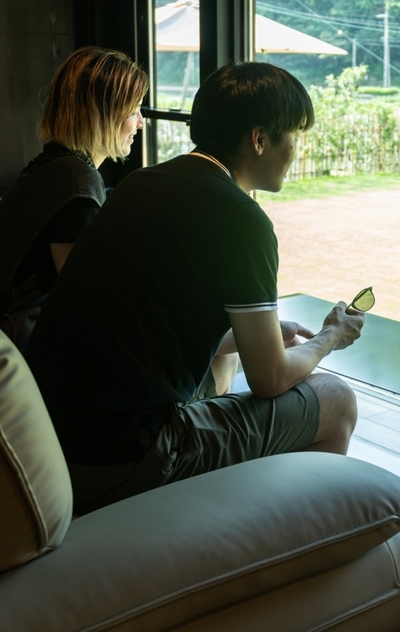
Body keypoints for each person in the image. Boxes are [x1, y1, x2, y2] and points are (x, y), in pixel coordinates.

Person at [25, 61, 364, 513]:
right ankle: (288, 536)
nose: (296, 150)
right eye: (294, 136)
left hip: (49, 439)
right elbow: (271, 379)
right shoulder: (243, 220)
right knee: (336, 400)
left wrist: (256, 337)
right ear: (259, 139)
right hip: (123, 455)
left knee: (223, 360)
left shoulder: (137, 184)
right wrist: (329, 338)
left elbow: (143, 323)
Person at [0, 46, 147, 347]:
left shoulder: (55, 167)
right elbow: (84, 301)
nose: (141, 122)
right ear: (104, 114)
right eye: (134, 111)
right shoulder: (77, 183)